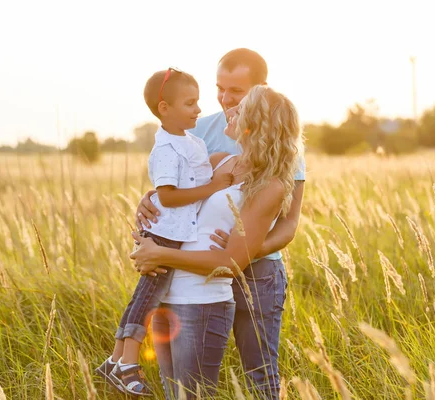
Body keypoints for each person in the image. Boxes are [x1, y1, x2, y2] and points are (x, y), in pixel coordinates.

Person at [135, 48, 305, 399]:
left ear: (259, 98)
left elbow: (286, 225)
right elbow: (183, 188)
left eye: (238, 95)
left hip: (255, 274)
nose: (226, 101)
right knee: (181, 386)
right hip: (192, 281)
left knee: (258, 375)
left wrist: (241, 249)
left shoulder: (278, 165)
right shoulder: (208, 137)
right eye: (220, 89)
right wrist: (151, 198)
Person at [95, 68, 233, 396]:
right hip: (167, 234)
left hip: (175, 231)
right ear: (164, 109)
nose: (198, 109)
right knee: (148, 296)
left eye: (198, 101)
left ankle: (115, 360)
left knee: (149, 295)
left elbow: (185, 180)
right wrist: (212, 187)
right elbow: (169, 195)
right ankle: (125, 362)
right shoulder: (166, 150)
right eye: (189, 103)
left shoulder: (190, 141)